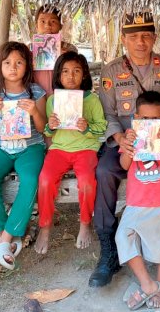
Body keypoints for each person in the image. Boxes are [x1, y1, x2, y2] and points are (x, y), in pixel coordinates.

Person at [91, 12, 160, 287]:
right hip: (126, 144)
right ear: (124, 39)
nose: (140, 42)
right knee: (104, 171)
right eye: (133, 36)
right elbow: (107, 113)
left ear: (154, 37)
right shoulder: (112, 71)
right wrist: (119, 137)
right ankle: (108, 252)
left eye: (146, 35)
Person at [0, 41, 47, 269]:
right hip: (0, 148)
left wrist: (35, 111)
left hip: (30, 148)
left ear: (28, 65)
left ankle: (5, 239)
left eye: (19, 62)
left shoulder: (36, 92)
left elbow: (43, 126)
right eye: (7, 63)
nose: (13, 67)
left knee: (30, 181)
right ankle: (1, 232)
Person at [35, 52, 107, 254]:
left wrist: (87, 127)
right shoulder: (52, 100)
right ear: (58, 75)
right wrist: (51, 125)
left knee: (86, 182)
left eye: (76, 71)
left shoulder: (91, 100)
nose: (71, 76)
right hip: (59, 149)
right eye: (65, 71)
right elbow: (48, 132)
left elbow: (102, 128)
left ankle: (85, 222)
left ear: (84, 75)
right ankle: (45, 226)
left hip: (86, 149)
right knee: (46, 180)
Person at [116, 91, 160, 310]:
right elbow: (125, 165)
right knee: (122, 236)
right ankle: (147, 284)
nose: (148, 124)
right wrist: (130, 145)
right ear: (135, 117)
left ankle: (159, 286)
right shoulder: (130, 135)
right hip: (136, 201)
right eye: (143, 119)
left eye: (154, 119)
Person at [32, 5, 78, 96]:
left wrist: (65, 58)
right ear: (36, 25)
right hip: (37, 96)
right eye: (43, 21)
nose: (47, 26)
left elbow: (75, 72)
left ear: (60, 25)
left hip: (61, 95)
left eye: (53, 21)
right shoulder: (28, 49)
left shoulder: (70, 49)